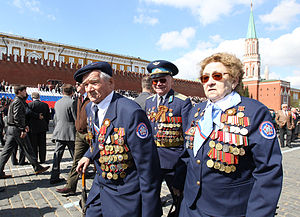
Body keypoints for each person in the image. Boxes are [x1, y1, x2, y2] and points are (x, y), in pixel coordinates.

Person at [178, 53, 283, 217]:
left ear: (234, 81)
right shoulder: (196, 111)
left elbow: (268, 171)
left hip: (228, 209)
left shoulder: (253, 112)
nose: (210, 82)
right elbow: (189, 157)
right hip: (191, 207)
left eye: (217, 76)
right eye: (205, 78)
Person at [75, 61, 162, 217]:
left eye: (94, 83)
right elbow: (99, 138)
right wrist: (88, 155)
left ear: (111, 82)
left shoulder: (130, 112)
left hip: (124, 194)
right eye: (85, 84)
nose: (89, 89)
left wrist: (150, 211)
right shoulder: (90, 108)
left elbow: (148, 167)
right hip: (100, 187)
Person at [145, 60, 192, 211]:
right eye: (155, 81)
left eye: (163, 80)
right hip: (154, 161)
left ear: (171, 80)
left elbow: (188, 138)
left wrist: (182, 167)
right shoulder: (149, 102)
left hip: (174, 161)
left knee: (179, 199)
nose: (158, 84)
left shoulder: (182, 102)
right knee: (151, 199)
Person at [0, 85, 50, 179]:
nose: (25, 93)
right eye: (24, 91)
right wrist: (22, 128)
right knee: (28, 148)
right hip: (17, 130)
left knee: (6, 152)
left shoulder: (15, 101)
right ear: (19, 91)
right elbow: (17, 117)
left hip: (12, 129)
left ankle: (0, 170)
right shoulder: (18, 102)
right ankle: (37, 167)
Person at [56, 83, 90, 196]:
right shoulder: (79, 98)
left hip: (89, 134)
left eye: (78, 84)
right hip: (80, 134)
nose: (76, 86)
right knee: (76, 160)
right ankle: (70, 186)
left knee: (98, 159)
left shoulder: (91, 97)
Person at [50, 84, 76, 184]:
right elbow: (75, 118)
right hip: (70, 133)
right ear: (72, 92)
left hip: (59, 132)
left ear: (62, 92)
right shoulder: (72, 102)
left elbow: (55, 118)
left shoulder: (57, 102)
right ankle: (80, 173)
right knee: (75, 156)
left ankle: (54, 176)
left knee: (57, 156)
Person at [28, 92, 50, 163]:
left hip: (33, 128)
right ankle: (42, 159)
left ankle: (35, 159)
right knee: (42, 145)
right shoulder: (45, 105)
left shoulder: (29, 105)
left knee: (33, 145)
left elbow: (27, 116)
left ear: (32, 97)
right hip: (43, 127)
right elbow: (48, 117)